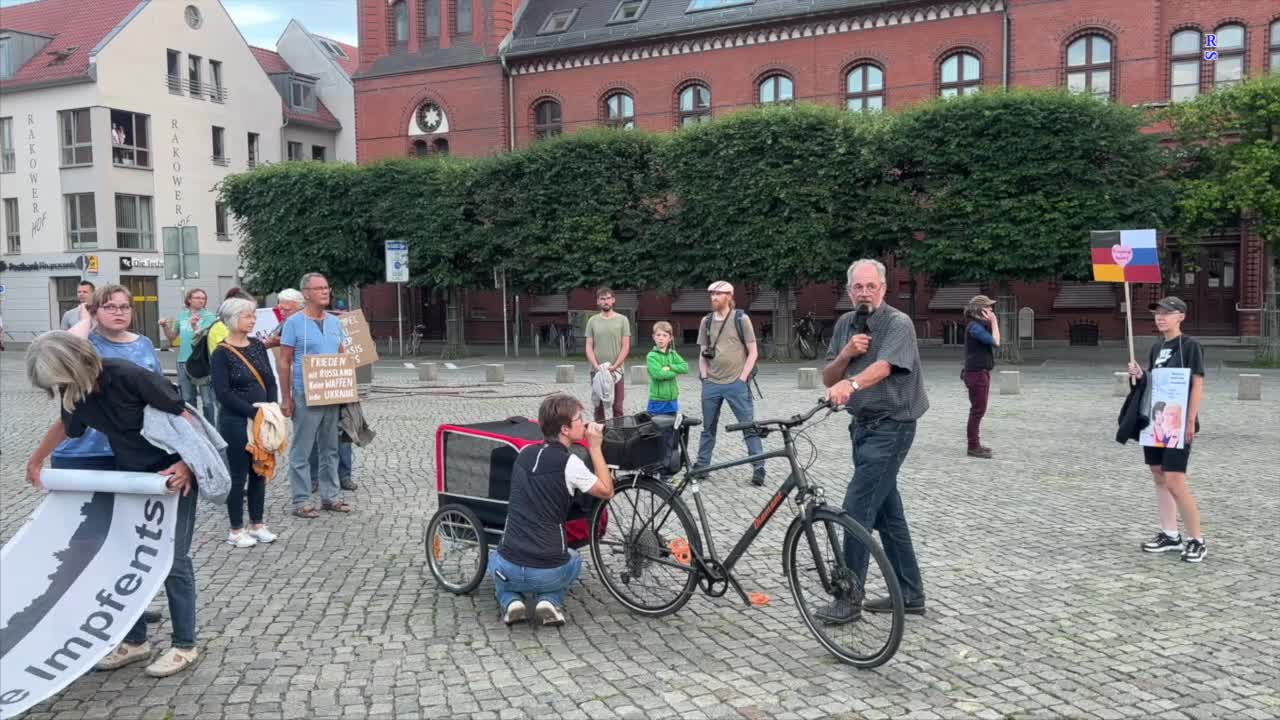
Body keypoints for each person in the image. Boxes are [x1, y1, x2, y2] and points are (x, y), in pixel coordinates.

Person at [24, 331, 201, 677]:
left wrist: (186, 465)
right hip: (132, 478)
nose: (59, 387)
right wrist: (36, 460)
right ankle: (135, 642)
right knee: (127, 556)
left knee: (174, 560)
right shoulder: (75, 391)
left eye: (59, 379)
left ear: (72, 363)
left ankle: (185, 644)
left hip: (175, 477)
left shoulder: (129, 376)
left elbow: (186, 419)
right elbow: (66, 425)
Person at [821, 259, 929, 622]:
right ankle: (911, 593)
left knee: (856, 509)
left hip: (893, 426)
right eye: (858, 287)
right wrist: (847, 355)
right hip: (862, 428)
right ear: (849, 290)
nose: (864, 292)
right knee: (887, 513)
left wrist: (851, 384)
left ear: (883, 289)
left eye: (871, 286)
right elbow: (827, 376)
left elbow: (884, 367)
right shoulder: (844, 325)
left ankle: (849, 598)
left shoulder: (899, 323)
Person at [491, 394, 614, 626]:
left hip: (508, 565)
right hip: (548, 571)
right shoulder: (571, 464)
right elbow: (607, 490)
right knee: (575, 558)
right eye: (580, 419)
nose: (585, 423)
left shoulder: (524, 454)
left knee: (494, 558)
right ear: (565, 430)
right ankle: (550, 600)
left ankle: (510, 601)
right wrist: (595, 448)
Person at [50, 285, 164, 472]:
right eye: (109, 306)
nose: (119, 312)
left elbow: (159, 393)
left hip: (136, 449)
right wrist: (86, 320)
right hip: (87, 450)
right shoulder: (86, 344)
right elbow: (64, 348)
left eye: (125, 307)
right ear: (94, 311)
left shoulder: (144, 344)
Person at [1128, 296, 1206, 563]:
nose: (1160, 317)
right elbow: (1156, 381)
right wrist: (1141, 375)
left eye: (1166, 313)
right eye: (1157, 313)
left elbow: (1197, 384)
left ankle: (1197, 540)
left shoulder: (1190, 346)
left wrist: (1190, 421)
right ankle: (1170, 534)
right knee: (1158, 474)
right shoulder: (1157, 347)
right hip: (1156, 421)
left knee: (1175, 480)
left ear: (1181, 316)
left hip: (1178, 421)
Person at [279, 272, 352, 518]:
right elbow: (285, 361)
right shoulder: (294, 323)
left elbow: (342, 355)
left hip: (331, 393)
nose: (325, 292)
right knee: (302, 449)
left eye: (327, 288)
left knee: (330, 448)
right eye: (319, 288)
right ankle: (301, 500)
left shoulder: (334, 322)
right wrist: (286, 397)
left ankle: (330, 496)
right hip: (305, 392)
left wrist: (348, 388)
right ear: (306, 293)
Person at [211, 297, 279, 548]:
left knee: (259, 471)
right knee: (238, 476)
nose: (253, 320)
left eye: (253, 315)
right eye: (247, 316)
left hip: (262, 417)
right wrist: (253, 413)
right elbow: (223, 393)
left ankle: (257, 524)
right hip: (235, 421)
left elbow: (270, 381)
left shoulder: (258, 347)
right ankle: (236, 529)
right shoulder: (221, 353)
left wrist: (271, 409)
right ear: (232, 319)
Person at [694, 281, 765, 486]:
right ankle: (702, 465)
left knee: (748, 425)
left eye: (718, 294)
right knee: (708, 427)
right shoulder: (705, 321)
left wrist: (742, 378)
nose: (713, 297)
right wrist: (705, 377)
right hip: (712, 384)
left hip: (736, 383)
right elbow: (703, 352)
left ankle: (758, 467)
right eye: (712, 294)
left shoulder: (741, 319)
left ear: (729, 295)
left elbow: (753, 351)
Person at [160, 288, 217, 424]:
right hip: (183, 361)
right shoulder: (182, 315)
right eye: (197, 298)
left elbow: (207, 337)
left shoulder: (209, 317)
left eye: (203, 298)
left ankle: (211, 428)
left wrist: (196, 326)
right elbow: (172, 338)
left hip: (202, 362)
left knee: (207, 400)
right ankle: (193, 427)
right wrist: (165, 326)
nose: (200, 300)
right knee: (187, 399)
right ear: (189, 300)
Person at [961, 295, 1000, 459]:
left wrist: (990, 322)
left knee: (978, 410)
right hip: (976, 374)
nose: (992, 311)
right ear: (980, 310)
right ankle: (973, 446)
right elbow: (996, 342)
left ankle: (975, 444)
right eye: (989, 308)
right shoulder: (974, 328)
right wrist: (995, 321)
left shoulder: (978, 326)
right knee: (977, 411)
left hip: (980, 372)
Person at [646, 321, 688, 470]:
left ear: (670, 338)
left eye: (665, 335)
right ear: (653, 337)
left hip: (672, 402)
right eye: (658, 335)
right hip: (657, 402)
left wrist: (669, 367)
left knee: (671, 436)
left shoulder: (672, 354)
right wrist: (672, 372)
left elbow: (685, 367)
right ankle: (655, 467)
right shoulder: (652, 356)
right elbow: (657, 374)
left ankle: (668, 466)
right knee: (658, 436)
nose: (661, 338)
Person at [585, 288, 631, 422]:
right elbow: (589, 346)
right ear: (598, 301)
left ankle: (618, 435)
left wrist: (616, 365)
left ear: (613, 300)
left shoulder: (623, 320)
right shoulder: (592, 321)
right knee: (598, 407)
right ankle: (600, 435)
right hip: (597, 370)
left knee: (617, 407)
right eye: (602, 299)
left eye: (608, 298)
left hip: (617, 371)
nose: (606, 301)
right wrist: (595, 365)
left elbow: (626, 345)